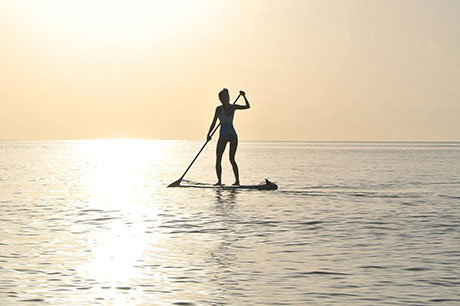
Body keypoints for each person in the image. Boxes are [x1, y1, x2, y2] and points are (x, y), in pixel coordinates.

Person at [206, 88, 250, 186]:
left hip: (224, 134)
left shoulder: (220, 108)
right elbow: (248, 106)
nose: (223, 100)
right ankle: (234, 181)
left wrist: (208, 134)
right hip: (233, 134)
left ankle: (221, 182)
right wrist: (243, 96)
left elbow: (213, 122)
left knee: (220, 159)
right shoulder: (231, 107)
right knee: (230, 159)